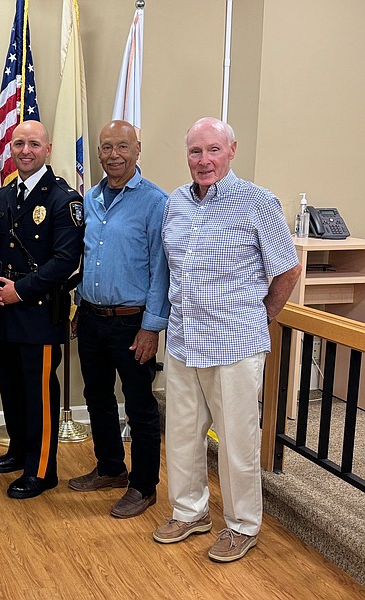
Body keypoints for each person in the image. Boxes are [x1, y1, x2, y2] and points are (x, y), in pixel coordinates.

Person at [155, 117, 301, 562]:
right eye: (196, 152)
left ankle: (242, 525)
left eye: (213, 150)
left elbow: (287, 268)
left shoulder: (257, 201)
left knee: (236, 440)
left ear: (232, 150)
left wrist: (262, 316)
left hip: (235, 343)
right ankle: (190, 510)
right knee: (181, 435)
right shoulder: (176, 202)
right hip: (183, 339)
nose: (204, 160)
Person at [0, 120, 84, 499]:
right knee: (11, 387)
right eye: (18, 143)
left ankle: (42, 470)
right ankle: (20, 450)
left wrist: (18, 291)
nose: (25, 150)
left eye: (33, 144)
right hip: (3, 310)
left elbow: (65, 260)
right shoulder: (4, 197)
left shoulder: (63, 199)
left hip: (37, 312)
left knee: (38, 394)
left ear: (47, 149)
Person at [68, 120, 169, 519]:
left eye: (122, 147)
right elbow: (89, 257)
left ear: (137, 150)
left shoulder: (155, 202)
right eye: (106, 147)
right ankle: (110, 467)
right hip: (91, 317)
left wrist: (151, 327)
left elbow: (162, 271)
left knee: (140, 407)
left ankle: (143, 486)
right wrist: (79, 304)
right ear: (98, 152)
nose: (114, 155)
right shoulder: (89, 199)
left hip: (133, 323)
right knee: (97, 397)